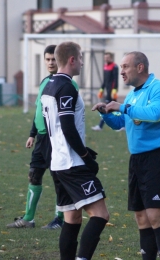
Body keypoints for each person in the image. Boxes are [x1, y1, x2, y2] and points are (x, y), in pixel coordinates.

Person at [92, 51, 160, 260]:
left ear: (140, 67)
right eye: (121, 67)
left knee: (155, 216)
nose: (121, 72)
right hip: (136, 160)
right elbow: (121, 122)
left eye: (125, 67)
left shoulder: (159, 88)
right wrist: (106, 113)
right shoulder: (132, 94)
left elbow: (155, 114)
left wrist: (123, 107)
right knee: (141, 217)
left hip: (157, 158)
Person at [41, 41, 109, 260]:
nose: (81, 62)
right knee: (100, 215)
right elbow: (68, 128)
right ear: (71, 60)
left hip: (58, 163)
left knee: (72, 218)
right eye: (80, 58)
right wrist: (86, 156)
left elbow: (58, 129)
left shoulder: (49, 85)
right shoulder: (66, 86)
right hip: (72, 163)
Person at [6, 45, 79, 229]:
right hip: (41, 138)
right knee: (34, 174)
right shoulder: (45, 82)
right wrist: (32, 133)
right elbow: (40, 110)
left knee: (59, 178)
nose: (50, 62)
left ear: (59, 60)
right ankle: (28, 218)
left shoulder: (68, 83)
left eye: (53, 59)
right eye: (47, 59)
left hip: (56, 139)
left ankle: (60, 220)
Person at [91, 52, 119, 131]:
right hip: (107, 91)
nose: (106, 59)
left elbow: (115, 79)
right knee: (114, 108)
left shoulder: (115, 66)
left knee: (106, 107)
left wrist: (114, 90)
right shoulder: (105, 66)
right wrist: (101, 89)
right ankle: (122, 125)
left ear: (111, 58)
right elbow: (105, 80)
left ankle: (100, 126)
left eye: (108, 57)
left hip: (111, 92)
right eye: (105, 57)